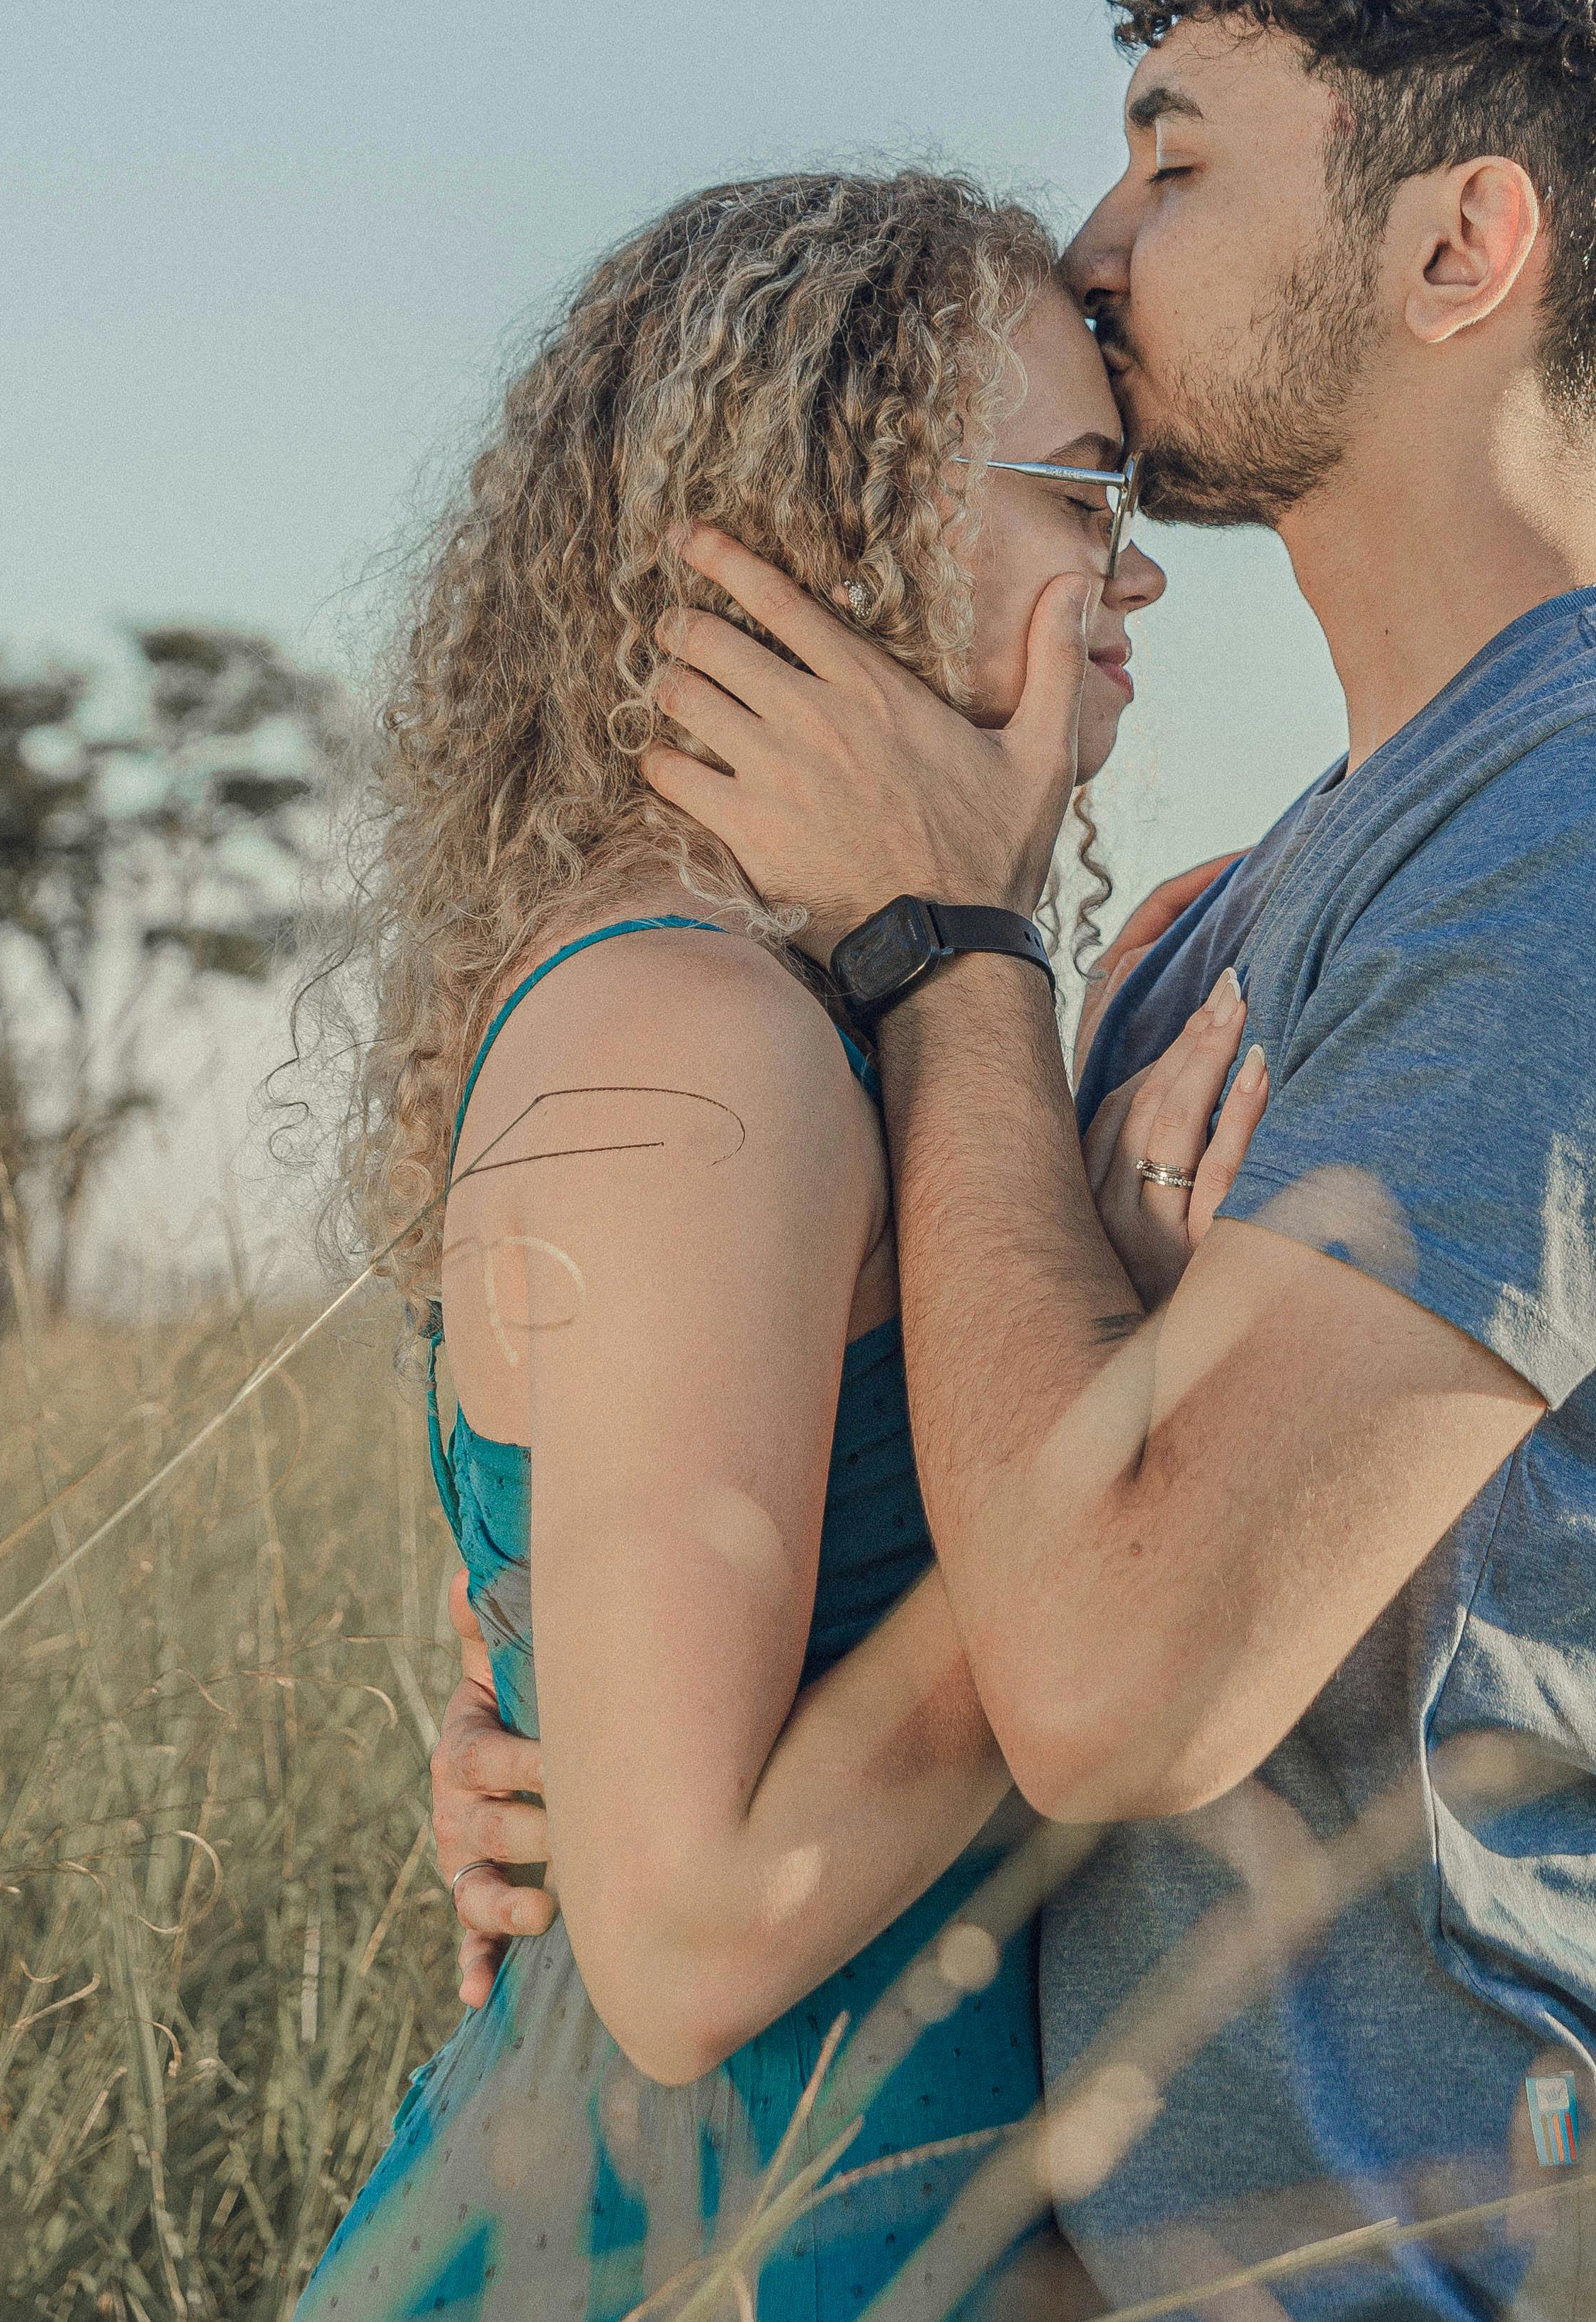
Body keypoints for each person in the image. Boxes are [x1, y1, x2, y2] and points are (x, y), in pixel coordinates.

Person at [436, 0, 1596, 2319]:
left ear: (1459, 250)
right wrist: (579, 1756)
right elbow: (977, 1516)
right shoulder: (1234, 907)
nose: (1096, 244)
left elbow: (1110, 1687)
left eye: (1179, 155)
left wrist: (954, 949)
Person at [301, 167, 1262, 2321]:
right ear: (829, 519)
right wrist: (1140, 1453)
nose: (1134, 577)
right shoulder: (701, 1039)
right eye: (1078, 491)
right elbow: (683, 1941)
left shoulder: (805, 1023)